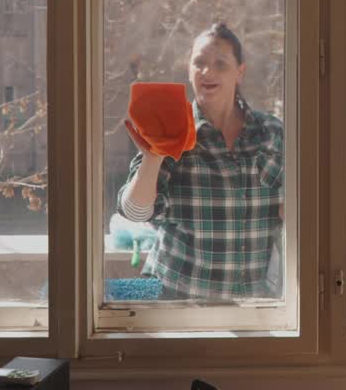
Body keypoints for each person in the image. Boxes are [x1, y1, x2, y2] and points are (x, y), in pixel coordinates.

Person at [117, 23, 285, 301]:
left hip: (253, 306)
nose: (208, 72)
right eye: (199, 63)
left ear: (239, 72)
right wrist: (153, 157)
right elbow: (134, 212)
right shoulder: (171, 130)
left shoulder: (271, 133)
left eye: (220, 64)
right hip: (178, 301)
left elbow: (295, 209)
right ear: (189, 70)